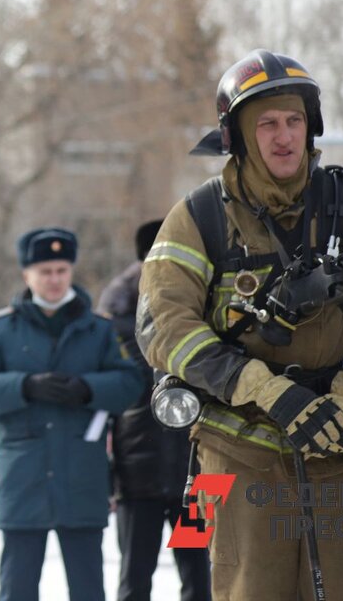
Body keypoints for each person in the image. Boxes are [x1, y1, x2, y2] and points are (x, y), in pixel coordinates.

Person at [138, 49, 343, 600]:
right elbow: (164, 326)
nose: (283, 136)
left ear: (310, 126)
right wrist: (269, 392)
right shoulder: (198, 219)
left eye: (294, 120)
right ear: (238, 136)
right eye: (266, 123)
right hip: (240, 458)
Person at [0, 228, 145, 601]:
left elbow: (130, 384)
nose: (54, 279)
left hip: (82, 477)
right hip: (24, 476)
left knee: (89, 588)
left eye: (61, 270)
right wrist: (24, 386)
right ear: (27, 274)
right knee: (18, 588)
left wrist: (88, 389)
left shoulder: (99, 329)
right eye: (45, 271)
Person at [98, 220, 211, 601]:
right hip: (136, 478)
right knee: (135, 579)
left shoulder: (212, 314)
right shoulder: (113, 326)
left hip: (199, 477)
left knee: (201, 578)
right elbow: (105, 409)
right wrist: (108, 475)